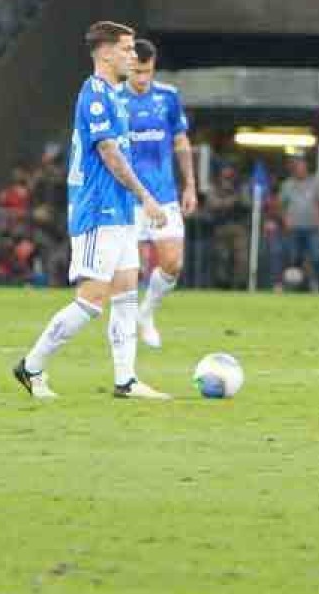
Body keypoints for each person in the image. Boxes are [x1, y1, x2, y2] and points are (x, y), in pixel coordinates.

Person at [13, 21, 171, 401]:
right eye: (126, 48)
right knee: (91, 301)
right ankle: (31, 367)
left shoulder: (116, 96)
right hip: (98, 210)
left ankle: (126, 379)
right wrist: (146, 196)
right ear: (104, 52)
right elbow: (109, 154)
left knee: (126, 293)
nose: (133, 55)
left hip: (118, 211)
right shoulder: (95, 95)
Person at [125, 39, 197, 348]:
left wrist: (190, 185)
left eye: (148, 72)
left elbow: (181, 142)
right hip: (126, 197)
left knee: (173, 263)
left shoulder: (168, 97)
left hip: (164, 196)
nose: (143, 79)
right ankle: (124, 331)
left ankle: (147, 314)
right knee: (129, 270)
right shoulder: (114, 99)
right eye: (138, 72)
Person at [277, 156, 319, 293]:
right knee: (294, 259)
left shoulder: (314, 184)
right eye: (298, 167)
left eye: (303, 167)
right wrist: (285, 220)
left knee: (317, 258)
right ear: (294, 169)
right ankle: (295, 288)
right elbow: (281, 206)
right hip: (294, 228)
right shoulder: (287, 185)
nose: (301, 170)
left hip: (312, 228)